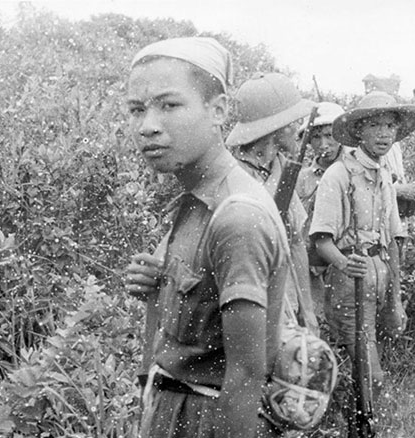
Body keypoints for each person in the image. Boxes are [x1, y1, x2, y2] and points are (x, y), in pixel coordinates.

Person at [122, 37, 289, 437]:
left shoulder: (237, 216)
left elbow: (247, 376)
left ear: (218, 110)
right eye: (136, 109)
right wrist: (161, 284)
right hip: (176, 411)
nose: (148, 126)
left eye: (170, 105)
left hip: (209, 420)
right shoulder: (197, 201)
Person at [309, 91, 415, 399]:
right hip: (350, 278)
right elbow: (321, 240)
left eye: (389, 126)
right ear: (358, 131)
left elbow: (393, 239)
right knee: (368, 371)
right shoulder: (338, 175)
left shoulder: (385, 173)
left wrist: (396, 299)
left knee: (374, 356)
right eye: (375, 126)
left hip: (381, 271)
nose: (384, 134)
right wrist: (345, 264)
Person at [227, 72, 319, 335]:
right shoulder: (234, 177)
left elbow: (296, 241)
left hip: (286, 299)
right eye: (294, 122)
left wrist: (308, 309)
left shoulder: (282, 168)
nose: (300, 129)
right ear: (275, 128)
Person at [295, 101, 347, 323]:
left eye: (329, 135)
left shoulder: (351, 173)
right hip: (311, 267)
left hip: (343, 263)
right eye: (316, 137)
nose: (323, 144)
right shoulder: (302, 178)